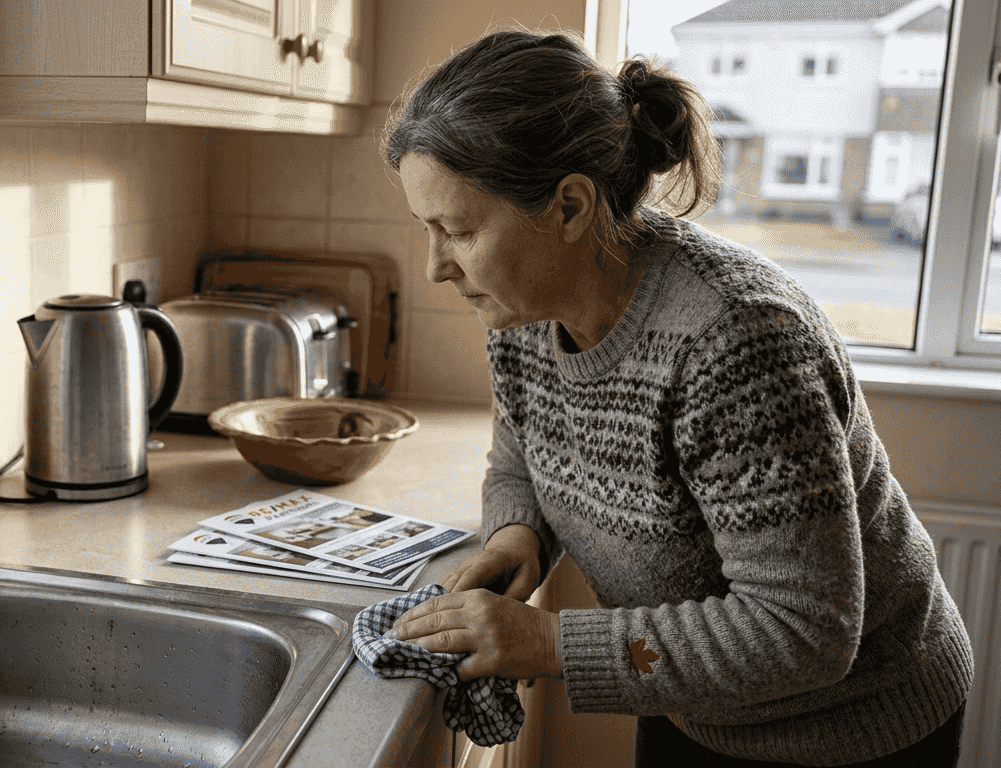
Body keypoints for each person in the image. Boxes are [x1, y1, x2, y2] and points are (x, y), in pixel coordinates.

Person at [382, 29, 974, 767]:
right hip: (691, 703)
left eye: (458, 231)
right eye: (427, 229)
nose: (437, 266)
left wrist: (549, 642)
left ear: (568, 208)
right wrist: (517, 536)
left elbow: (804, 630)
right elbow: (521, 458)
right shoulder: (526, 312)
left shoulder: (736, 341)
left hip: (853, 730)